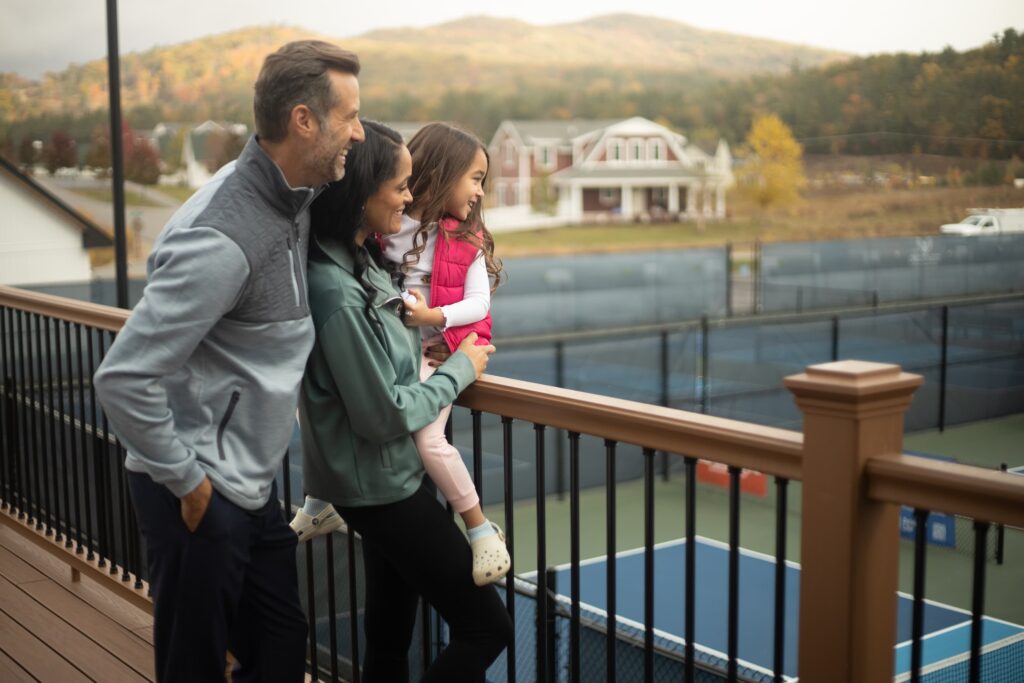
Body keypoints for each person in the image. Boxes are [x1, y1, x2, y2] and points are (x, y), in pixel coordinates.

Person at [93, 40, 365, 682]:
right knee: (194, 664)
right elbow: (123, 376)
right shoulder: (223, 235)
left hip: (249, 486)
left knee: (278, 647)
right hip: (197, 492)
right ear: (304, 120)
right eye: (350, 116)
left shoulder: (294, 196)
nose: (357, 131)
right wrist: (190, 485)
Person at [299, 120, 512, 682]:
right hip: (381, 482)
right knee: (489, 629)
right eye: (399, 186)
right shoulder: (338, 289)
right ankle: (478, 526)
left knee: (389, 631)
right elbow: (383, 413)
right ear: (361, 191)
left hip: (386, 473)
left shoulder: (362, 259)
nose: (409, 197)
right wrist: (459, 370)